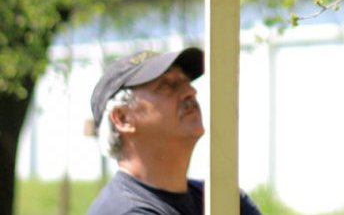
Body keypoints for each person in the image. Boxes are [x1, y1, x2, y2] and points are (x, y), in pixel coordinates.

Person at [87, 47, 262, 215]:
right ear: (122, 118)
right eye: (167, 85)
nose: (191, 91)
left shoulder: (223, 200)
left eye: (186, 82)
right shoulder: (126, 211)